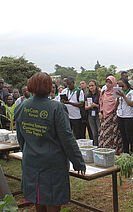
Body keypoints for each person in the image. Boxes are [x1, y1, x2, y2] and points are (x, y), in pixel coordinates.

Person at [14, 72, 86, 212]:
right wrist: (78, 162)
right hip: (52, 164)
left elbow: (20, 136)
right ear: (49, 88)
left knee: (37, 196)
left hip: (31, 161)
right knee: (53, 198)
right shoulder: (56, 108)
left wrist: (28, 151)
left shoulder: (22, 107)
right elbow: (67, 138)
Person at [98, 76, 123, 153]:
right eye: (107, 82)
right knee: (104, 133)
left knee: (114, 133)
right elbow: (101, 103)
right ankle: (104, 150)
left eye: (110, 82)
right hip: (104, 115)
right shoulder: (103, 92)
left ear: (114, 83)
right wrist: (100, 112)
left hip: (113, 116)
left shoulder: (116, 91)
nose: (108, 84)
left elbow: (119, 104)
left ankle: (115, 150)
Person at [116, 78, 133, 157]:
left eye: (122, 85)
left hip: (129, 116)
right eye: (119, 86)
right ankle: (126, 153)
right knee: (123, 136)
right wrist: (118, 98)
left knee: (130, 136)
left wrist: (124, 96)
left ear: (126, 84)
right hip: (120, 115)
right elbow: (117, 104)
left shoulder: (131, 92)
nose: (121, 87)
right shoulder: (120, 92)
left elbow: (132, 104)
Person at [85, 80, 100, 146]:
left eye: (92, 85)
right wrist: (90, 106)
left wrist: (95, 105)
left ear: (96, 86)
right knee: (94, 133)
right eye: (89, 86)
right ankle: (95, 146)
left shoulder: (100, 94)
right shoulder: (88, 95)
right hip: (90, 115)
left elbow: (102, 106)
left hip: (98, 115)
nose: (91, 87)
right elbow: (85, 107)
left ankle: (100, 145)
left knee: (99, 131)